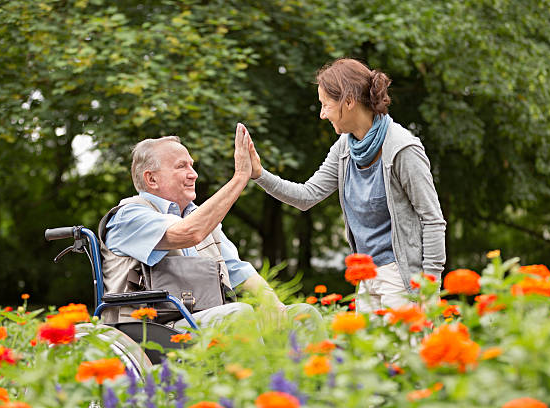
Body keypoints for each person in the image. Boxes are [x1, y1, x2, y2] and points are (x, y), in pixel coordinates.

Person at [247, 58, 446, 313]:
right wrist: (259, 174)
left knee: (400, 353)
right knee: (367, 353)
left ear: (349, 102)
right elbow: (307, 196)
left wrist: (429, 289)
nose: (322, 114)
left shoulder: (402, 149)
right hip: (366, 276)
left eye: (325, 105)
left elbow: (432, 220)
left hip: (403, 277)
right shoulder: (345, 148)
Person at [99, 124, 319, 330]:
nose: (193, 174)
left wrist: (271, 301)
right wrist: (241, 177)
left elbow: (237, 270)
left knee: (303, 316)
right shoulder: (127, 216)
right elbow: (189, 233)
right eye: (181, 166)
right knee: (237, 313)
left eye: (191, 166)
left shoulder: (200, 219)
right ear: (152, 179)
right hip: (149, 330)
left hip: (202, 321)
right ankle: (255, 373)